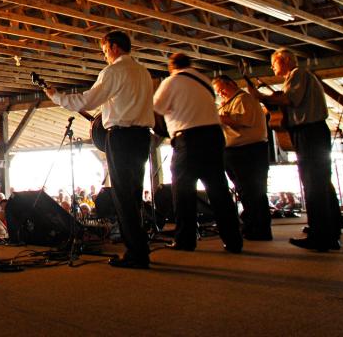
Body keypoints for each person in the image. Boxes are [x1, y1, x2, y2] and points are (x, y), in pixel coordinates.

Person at [45, 30, 154, 269]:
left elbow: (86, 101)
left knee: (123, 197)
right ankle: (140, 247)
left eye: (105, 51)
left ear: (114, 47)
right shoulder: (143, 72)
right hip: (142, 137)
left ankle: (136, 253)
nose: (105, 56)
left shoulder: (113, 71)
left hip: (122, 137)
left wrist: (57, 97)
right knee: (134, 195)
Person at [252, 49, 341, 251]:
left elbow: (289, 99)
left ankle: (321, 236)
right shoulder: (298, 76)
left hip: (309, 132)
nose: (272, 67)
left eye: (274, 63)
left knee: (313, 184)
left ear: (285, 61)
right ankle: (329, 229)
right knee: (320, 182)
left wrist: (260, 96)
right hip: (313, 132)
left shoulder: (298, 74)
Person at [153, 54, 243, 253]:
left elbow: (156, 108)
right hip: (214, 136)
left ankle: (186, 240)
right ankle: (233, 240)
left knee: (183, 192)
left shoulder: (172, 81)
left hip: (189, 139)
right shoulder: (204, 80)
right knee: (219, 190)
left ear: (172, 67)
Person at [212, 75, 272, 241]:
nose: (221, 94)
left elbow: (242, 120)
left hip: (248, 151)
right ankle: (251, 225)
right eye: (218, 92)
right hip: (235, 151)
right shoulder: (228, 103)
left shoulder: (244, 99)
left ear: (231, 84)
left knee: (253, 191)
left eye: (222, 89)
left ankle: (259, 228)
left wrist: (218, 116)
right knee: (244, 191)